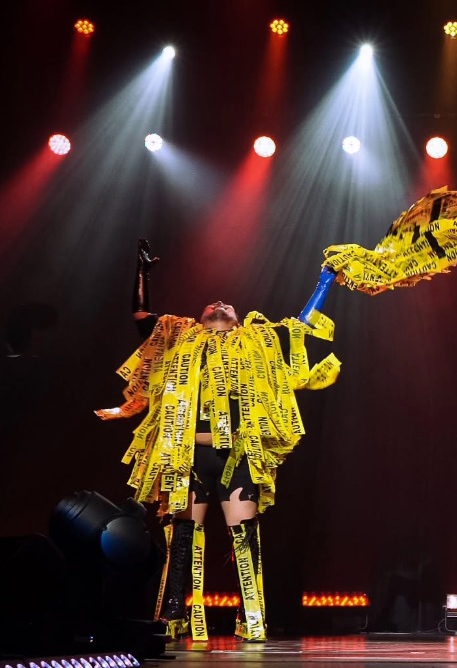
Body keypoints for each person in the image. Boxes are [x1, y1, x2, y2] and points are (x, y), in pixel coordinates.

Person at [96, 239, 341, 642]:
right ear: (201, 316)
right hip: (189, 455)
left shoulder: (256, 344)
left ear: (238, 318)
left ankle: (251, 616)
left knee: (244, 533)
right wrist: (142, 273)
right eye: (212, 304)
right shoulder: (180, 339)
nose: (220, 303)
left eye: (226, 305)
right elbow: (143, 319)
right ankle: (175, 612)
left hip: (236, 457)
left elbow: (301, 324)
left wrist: (324, 283)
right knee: (183, 534)